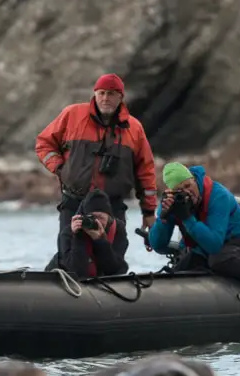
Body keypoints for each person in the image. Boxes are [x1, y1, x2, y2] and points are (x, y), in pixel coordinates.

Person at [35, 73, 158, 261]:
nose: (105, 98)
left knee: (113, 259)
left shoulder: (134, 129)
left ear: (121, 97)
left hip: (113, 206)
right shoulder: (72, 115)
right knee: (68, 257)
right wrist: (60, 168)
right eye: (101, 93)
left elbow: (146, 171)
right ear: (95, 94)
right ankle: (66, 282)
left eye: (111, 93)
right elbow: (44, 143)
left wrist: (149, 212)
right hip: (74, 201)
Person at [147, 162, 240, 320]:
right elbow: (158, 245)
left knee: (219, 259)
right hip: (203, 249)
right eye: (179, 191)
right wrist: (163, 219)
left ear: (195, 180)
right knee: (180, 270)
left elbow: (214, 244)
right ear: (171, 193)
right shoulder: (171, 203)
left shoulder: (217, 195)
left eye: (188, 185)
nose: (187, 193)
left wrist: (187, 218)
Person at [54, 189, 129, 279]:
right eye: (92, 217)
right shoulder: (68, 232)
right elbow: (75, 272)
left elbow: (116, 270)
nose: (97, 221)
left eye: (101, 217)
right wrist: (78, 236)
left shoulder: (118, 230)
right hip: (61, 277)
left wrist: (100, 241)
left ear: (109, 217)